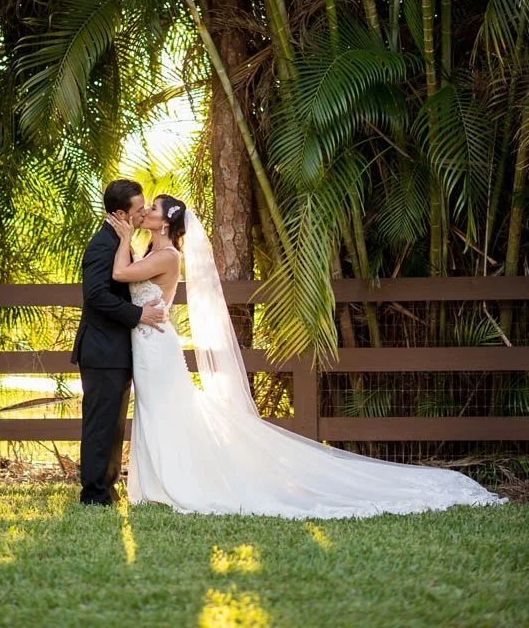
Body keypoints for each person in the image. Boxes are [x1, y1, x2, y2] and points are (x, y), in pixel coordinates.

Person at [109, 195, 506, 519]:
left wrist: (124, 238)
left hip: (156, 347)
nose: (146, 213)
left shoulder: (167, 256)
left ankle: (176, 483)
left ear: (166, 223)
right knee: (155, 409)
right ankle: (156, 485)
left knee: (165, 409)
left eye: (153, 209)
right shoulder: (152, 249)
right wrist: (131, 243)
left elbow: (121, 276)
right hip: (146, 341)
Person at [70, 179, 166, 506]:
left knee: (112, 425)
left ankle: (106, 489)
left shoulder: (119, 241)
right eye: (138, 209)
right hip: (101, 350)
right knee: (101, 424)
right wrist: (138, 314)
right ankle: (93, 494)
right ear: (122, 214)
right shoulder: (102, 245)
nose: (143, 213)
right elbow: (95, 295)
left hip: (116, 350)